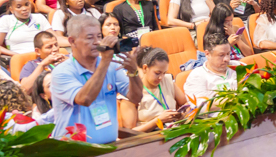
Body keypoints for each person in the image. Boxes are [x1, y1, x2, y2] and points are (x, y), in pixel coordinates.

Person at [50, 14, 142, 142]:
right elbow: (85, 99)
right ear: (72, 41)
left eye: (99, 36)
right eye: (89, 38)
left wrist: (133, 72)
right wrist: (105, 61)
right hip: (73, 152)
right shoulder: (61, 72)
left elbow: (136, 98)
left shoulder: (111, 66)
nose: (97, 42)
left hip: (109, 147)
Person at [123, 47, 192, 129]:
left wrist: (183, 114)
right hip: (150, 137)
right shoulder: (131, 92)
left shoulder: (167, 80)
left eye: (164, 73)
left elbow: (186, 104)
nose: (161, 77)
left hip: (173, 130)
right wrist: (158, 121)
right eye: (157, 73)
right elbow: (130, 132)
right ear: (145, 68)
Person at [182, 37, 236, 106]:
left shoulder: (238, 66)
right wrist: (233, 100)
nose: (227, 59)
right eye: (221, 55)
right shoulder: (197, 76)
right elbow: (199, 106)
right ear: (207, 54)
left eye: (228, 54)